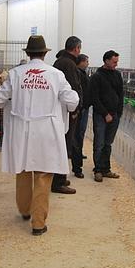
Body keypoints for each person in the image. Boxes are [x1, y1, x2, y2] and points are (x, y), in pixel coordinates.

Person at [0, 35, 79, 235]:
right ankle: (38, 223)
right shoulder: (55, 74)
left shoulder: (15, 74)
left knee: (23, 169)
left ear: (27, 53)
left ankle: (24, 210)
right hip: (46, 130)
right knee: (43, 173)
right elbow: (72, 99)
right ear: (44, 53)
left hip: (21, 129)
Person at [51, 36, 83, 194]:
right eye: (79, 48)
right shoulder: (68, 64)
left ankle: (59, 177)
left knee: (62, 144)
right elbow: (72, 89)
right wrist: (75, 109)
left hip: (62, 109)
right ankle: (58, 181)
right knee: (63, 145)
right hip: (67, 110)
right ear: (76, 48)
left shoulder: (61, 61)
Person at [89, 50, 123, 182]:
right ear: (107, 61)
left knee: (108, 143)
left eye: (117, 61)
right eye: (114, 61)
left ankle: (106, 169)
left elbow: (121, 94)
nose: (116, 64)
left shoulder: (117, 75)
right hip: (101, 115)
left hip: (114, 115)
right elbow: (94, 98)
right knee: (99, 143)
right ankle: (98, 169)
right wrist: (105, 113)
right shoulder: (97, 77)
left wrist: (118, 113)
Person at [71, 54, 90, 178]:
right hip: (80, 109)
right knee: (78, 135)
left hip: (83, 108)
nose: (88, 63)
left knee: (79, 134)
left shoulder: (82, 74)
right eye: (86, 61)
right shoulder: (78, 74)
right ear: (81, 62)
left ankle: (78, 156)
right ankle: (77, 165)